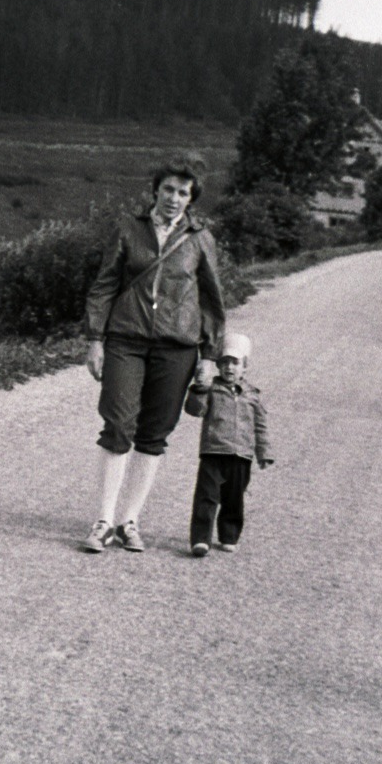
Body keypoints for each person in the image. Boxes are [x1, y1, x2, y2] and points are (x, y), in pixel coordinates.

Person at [81, 159, 226, 553]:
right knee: (118, 424)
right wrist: (95, 339)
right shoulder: (129, 229)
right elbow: (104, 286)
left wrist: (210, 356)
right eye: (168, 190)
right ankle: (103, 521)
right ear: (155, 191)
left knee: (154, 433)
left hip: (177, 347)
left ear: (191, 198)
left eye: (183, 192)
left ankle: (130, 521)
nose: (174, 199)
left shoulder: (200, 238)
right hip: (125, 340)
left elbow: (213, 302)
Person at [184, 331, 272, 556]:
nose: (229, 368)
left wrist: (263, 452)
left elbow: (260, 426)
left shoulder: (253, 395)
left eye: (234, 363)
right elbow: (196, 410)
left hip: (241, 455)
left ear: (245, 367)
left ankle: (228, 535)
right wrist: (198, 389)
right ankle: (201, 539)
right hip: (213, 451)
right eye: (224, 363)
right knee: (206, 496)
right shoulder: (212, 389)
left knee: (234, 498)